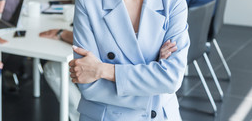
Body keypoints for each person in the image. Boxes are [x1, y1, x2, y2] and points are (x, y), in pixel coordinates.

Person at [41, 27, 177, 121]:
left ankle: (76, 115)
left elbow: (166, 79)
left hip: (150, 109)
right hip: (163, 105)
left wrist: (100, 70)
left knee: (54, 69)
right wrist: (154, 69)